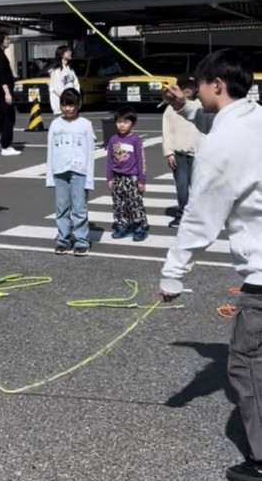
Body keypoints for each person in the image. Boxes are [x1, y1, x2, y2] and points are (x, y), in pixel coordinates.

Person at [158, 49, 262, 481]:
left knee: (248, 364)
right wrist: (185, 107)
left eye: (197, 86)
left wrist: (173, 275)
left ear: (216, 84)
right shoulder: (255, 117)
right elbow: (220, 126)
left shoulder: (222, 145)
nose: (193, 91)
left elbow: (201, 217)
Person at [45, 88, 95, 256]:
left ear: (78, 105)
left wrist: (89, 178)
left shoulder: (85, 124)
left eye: (71, 105)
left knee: (79, 208)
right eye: (64, 105)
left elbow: (90, 152)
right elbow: (50, 150)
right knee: (62, 208)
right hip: (59, 171)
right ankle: (63, 239)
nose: (67, 108)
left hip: (79, 172)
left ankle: (81, 241)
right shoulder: (55, 124)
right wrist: (50, 176)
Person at [161, 74, 203, 228]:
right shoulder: (171, 108)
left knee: (200, 188)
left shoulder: (202, 105)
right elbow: (166, 131)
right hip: (179, 155)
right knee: (182, 187)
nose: (187, 89)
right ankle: (182, 214)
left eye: (190, 86)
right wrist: (169, 153)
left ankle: (199, 216)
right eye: (183, 86)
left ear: (196, 88)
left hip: (199, 155)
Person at [106, 106, 148, 242]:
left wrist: (141, 180)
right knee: (119, 204)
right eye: (119, 121)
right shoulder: (113, 140)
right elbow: (109, 160)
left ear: (132, 123)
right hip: (118, 177)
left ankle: (139, 228)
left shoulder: (135, 140)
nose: (122, 125)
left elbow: (141, 161)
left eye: (126, 122)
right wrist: (109, 178)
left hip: (132, 178)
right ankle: (122, 226)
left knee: (135, 204)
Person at [49, 45, 81, 116]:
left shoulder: (70, 70)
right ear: (61, 54)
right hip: (61, 108)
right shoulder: (56, 71)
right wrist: (68, 100)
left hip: (72, 105)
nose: (70, 53)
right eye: (67, 51)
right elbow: (57, 89)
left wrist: (76, 99)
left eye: (70, 51)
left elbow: (76, 85)